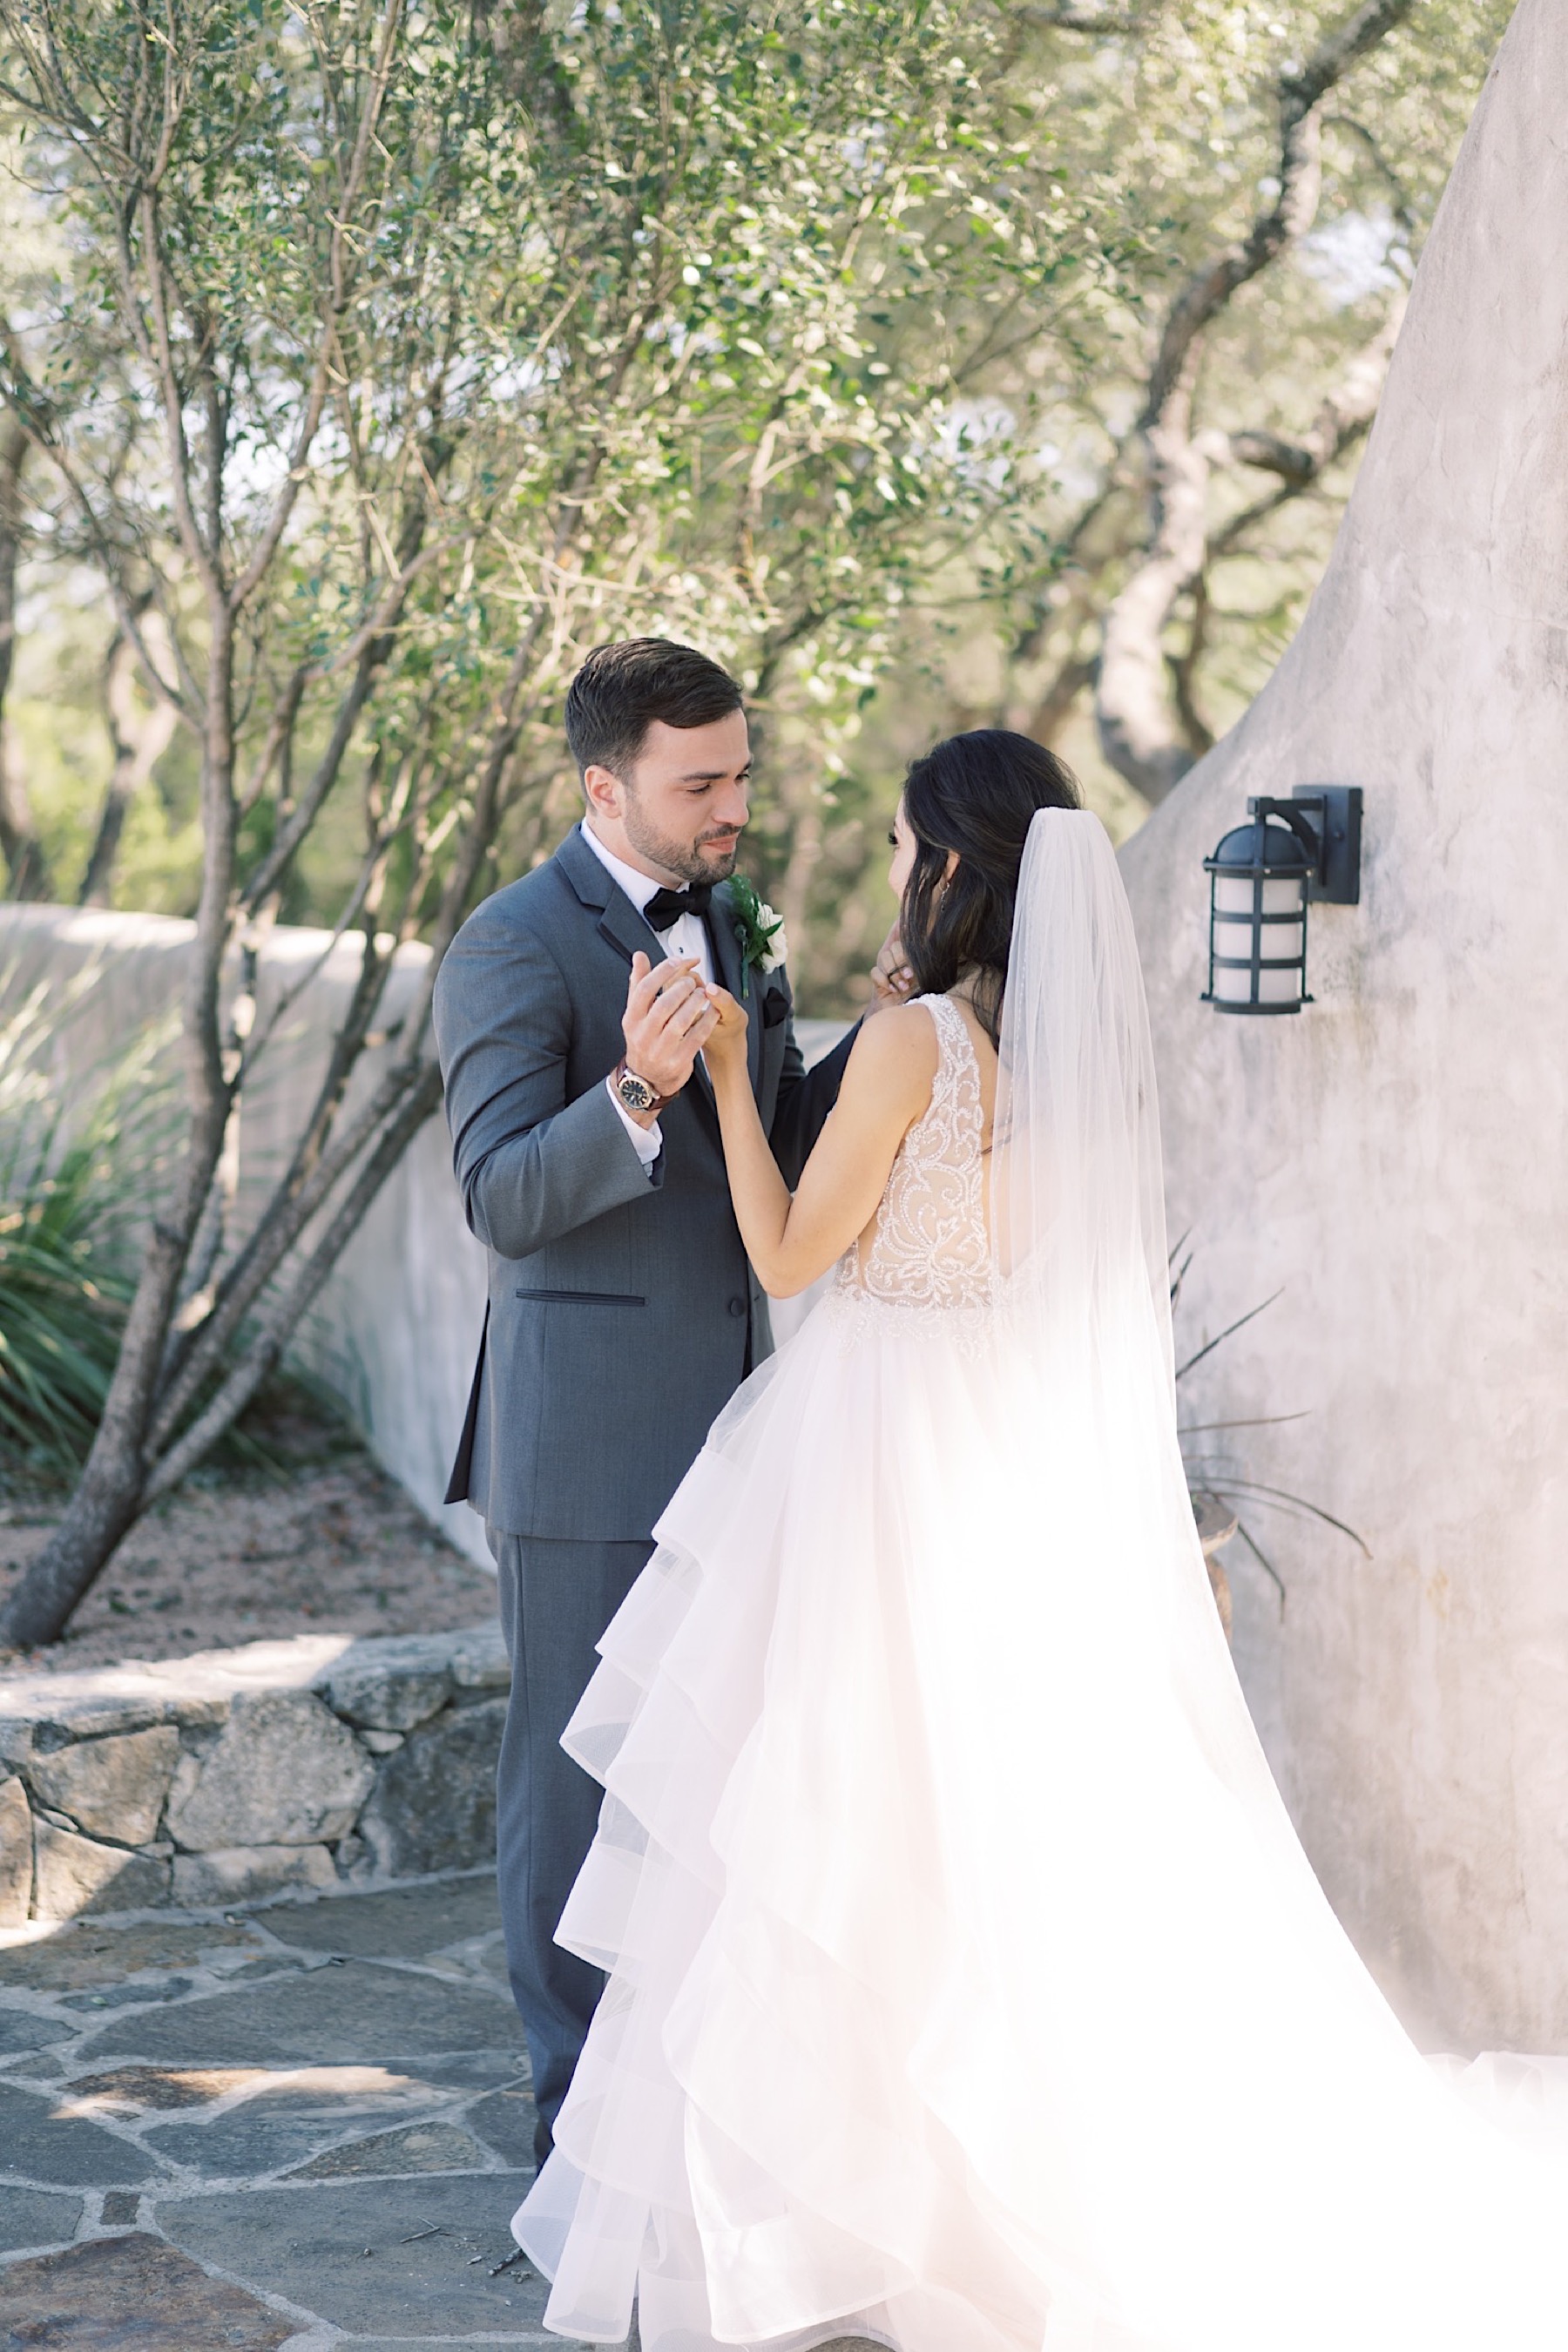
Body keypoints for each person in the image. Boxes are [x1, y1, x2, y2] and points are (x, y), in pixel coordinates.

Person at [513, 728, 1568, 2352]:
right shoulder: (1062, 1058)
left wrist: (725, 1075)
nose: (885, 870)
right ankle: (979, 2206)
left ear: (948, 870)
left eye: (896, 848)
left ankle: (868, 2217)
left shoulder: (910, 1044)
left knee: (841, 1832)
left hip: (863, 1458)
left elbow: (793, 1257)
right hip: (980, 1470)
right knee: (975, 1832)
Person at [431, 639, 860, 2165]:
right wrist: (630, 1093)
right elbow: (497, 1197)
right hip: (586, 1447)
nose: (734, 803)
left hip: (745, 1431)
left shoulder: (739, 919)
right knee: (571, 1779)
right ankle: (575, 2132)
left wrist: (893, 1047)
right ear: (606, 786)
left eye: (740, 770)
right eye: (703, 783)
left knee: (718, 1771)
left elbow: (788, 1131)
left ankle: (689, 2104)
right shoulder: (507, 945)